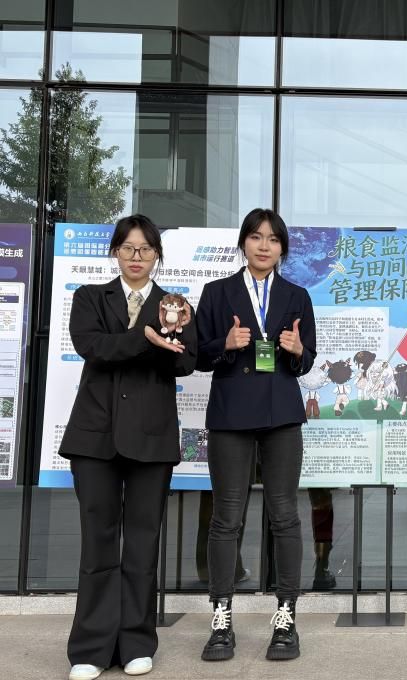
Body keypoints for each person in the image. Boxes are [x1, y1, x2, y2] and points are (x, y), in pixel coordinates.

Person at [61, 215, 197, 680]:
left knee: (143, 542)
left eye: (146, 249)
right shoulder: (90, 297)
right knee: (98, 541)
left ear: (157, 254)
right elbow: (93, 347)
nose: (137, 257)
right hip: (94, 435)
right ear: (115, 252)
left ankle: (137, 641)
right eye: (128, 248)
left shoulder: (174, 305)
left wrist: (169, 341)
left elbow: (187, 363)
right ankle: (91, 648)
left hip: (152, 437)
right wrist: (145, 338)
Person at [195, 208, 316, 662]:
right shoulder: (217, 292)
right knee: (226, 519)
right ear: (243, 242)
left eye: (273, 239)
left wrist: (298, 351)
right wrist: (223, 345)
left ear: (282, 248)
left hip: (282, 416)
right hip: (230, 416)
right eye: (256, 237)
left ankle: (286, 618)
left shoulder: (297, 295)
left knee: (285, 516)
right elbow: (198, 356)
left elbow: (306, 360)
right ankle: (221, 618)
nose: (264, 246)